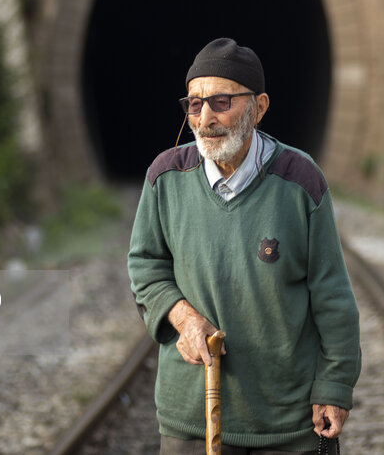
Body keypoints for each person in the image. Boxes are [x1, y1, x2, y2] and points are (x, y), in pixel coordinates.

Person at [128, 37, 361, 454]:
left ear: (259, 107)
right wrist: (183, 318)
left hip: (287, 421)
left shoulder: (300, 180)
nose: (205, 118)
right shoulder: (165, 177)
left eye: (221, 102)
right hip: (192, 418)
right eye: (194, 105)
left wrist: (335, 384)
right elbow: (145, 266)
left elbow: (332, 294)